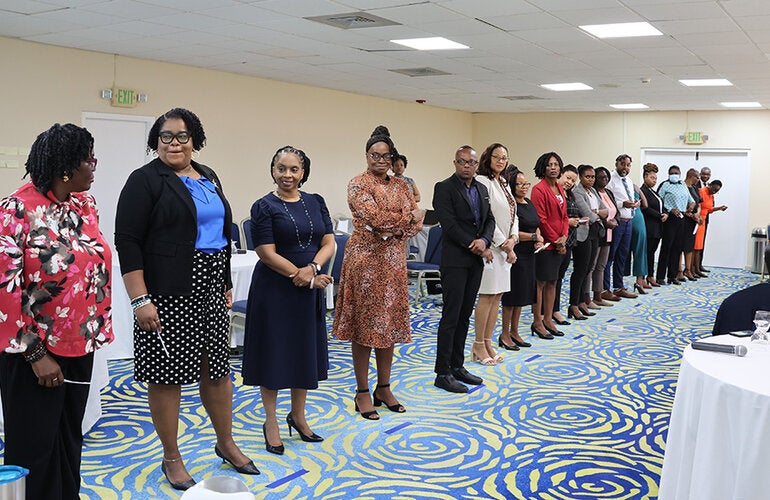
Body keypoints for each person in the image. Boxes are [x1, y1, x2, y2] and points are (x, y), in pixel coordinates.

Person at [114, 108, 257, 491]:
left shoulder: (208, 176)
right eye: (165, 136)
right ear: (155, 141)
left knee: (217, 369)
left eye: (182, 136)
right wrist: (139, 299)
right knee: (167, 375)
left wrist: (224, 280)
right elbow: (127, 241)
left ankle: (225, 442)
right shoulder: (144, 181)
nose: (174, 143)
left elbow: (220, 235)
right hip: (166, 291)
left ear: (195, 139)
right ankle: (171, 457)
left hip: (210, 286)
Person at [0, 124, 113, 500]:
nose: (94, 167)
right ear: (65, 166)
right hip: (34, 353)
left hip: (81, 342)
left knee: (68, 437)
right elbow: (5, 290)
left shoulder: (84, 204)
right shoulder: (16, 209)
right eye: (88, 159)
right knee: (35, 445)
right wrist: (34, 353)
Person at [241, 146, 334, 455]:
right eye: (282, 168)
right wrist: (300, 274)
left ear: (303, 172)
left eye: (294, 169)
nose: (288, 175)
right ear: (273, 170)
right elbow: (265, 252)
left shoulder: (316, 202)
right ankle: (271, 422)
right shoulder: (264, 206)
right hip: (274, 289)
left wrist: (313, 270)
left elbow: (328, 241)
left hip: (308, 286)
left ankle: (298, 415)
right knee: (274, 354)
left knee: (303, 352)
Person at [332, 126, 424, 417]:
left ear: (392, 157)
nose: (380, 160)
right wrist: (404, 218)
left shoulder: (401, 185)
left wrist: (399, 222)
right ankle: (362, 391)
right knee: (365, 327)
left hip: (394, 264)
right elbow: (375, 219)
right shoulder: (358, 184)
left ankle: (383, 387)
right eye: (375, 154)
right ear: (367, 155)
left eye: (386, 155)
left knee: (390, 327)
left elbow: (416, 224)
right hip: (366, 264)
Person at [432, 145, 495, 393]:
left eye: (470, 162)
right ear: (455, 163)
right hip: (456, 260)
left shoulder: (481, 188)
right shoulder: (444, 187)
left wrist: (486, 241)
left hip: (474, 262)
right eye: (461, 162)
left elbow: (489, 219)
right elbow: (448, 224)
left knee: (465, 315)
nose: (466, 166)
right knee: (451, 316)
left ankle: (457, 366)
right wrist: (476, 245)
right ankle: (442, 372)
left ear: (477, 165)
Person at [472, 143, 518, 364]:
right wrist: (504, 243)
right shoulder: (482, 181)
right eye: (497, 157)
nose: (501, 161)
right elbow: (486, 215)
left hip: (505, 249)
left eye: (504, 157)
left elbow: (513, 213)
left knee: (498, 296)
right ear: (487, 158)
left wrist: (514, 238)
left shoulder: (504, 182)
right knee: (487, 295)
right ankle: (478, 345)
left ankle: (488, 342)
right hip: (492, 248)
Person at [500, 168, 542, 350]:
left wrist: (538, 239)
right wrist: (533, 237)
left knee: (523, 296)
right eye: (520, 184)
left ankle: (515, 332)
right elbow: (512, 231)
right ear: (511, 185)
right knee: (512, 297)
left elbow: (536, 225)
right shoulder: (511, 205)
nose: (524, 187)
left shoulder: (529, 202)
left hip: (530, 255)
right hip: (515, 254)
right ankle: (504, 334)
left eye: (526, 184)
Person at [530, 152, 569, 339]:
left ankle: (548, 319)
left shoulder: (560, 188)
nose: (553, 168)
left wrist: (564, 237)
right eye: (549, 165)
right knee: (540, 283)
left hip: (559, 243)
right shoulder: (539, 189)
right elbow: (541, 220)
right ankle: (537, 321)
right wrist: (555, 240)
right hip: (545, 244)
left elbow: (564, 216)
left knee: (553, 282)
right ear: (542, 167)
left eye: (556, 164)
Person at [572, 164, 606, 316]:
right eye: (588, 176)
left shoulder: (592, 191)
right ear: (580, 177)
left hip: (594, 233)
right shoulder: (576, 192)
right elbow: (588, 215)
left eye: (593, 177)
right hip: (583, 233)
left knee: (588, 269)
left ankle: (582, 302)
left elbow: (606, 210)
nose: (591, 180)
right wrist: (597, 214)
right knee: (580, 270)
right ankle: (575, 303)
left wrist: (596, 212)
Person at [604, 154, 639, 299]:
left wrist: (635, 204)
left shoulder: (629, 180)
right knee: (610, 256)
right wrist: (621, 204)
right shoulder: (610, 179)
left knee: (622, 256)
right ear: (616, 163)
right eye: (623, 164)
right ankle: (605, 289)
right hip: (616, 222)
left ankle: (618, 286)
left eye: (628, 165)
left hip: (628, 221)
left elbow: (629, 199)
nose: (625, 168)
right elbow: (605, 200)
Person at [554, 164, 585, 321]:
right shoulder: (555, 194)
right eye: (567, 178)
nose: (569, 182)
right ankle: (552, 311)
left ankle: (555, 309)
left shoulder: (570, 195)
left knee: (560, 277)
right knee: (553, 279)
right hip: (557, 241)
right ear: (560, 175)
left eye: (573, 180)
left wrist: (576, 221)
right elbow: (555, 217)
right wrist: (569, 221)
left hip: (570, 241)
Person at [656, 165, 695, 286]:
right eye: (671, 173)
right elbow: (659, 200)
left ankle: (672, 276)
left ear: (680, 174)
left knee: (677, 248)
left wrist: (692, 205)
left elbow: (691, 199)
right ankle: (660, 276)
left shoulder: (683, 185)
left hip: (682, 218)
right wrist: (669, 209)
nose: (674, 175)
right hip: (670, 218)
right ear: (668, 174)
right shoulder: (665, 185)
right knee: (667, 247)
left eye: (676, 173)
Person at [593, 167, 620, 305]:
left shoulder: (608, 192)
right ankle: (592, 296)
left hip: (611, 233)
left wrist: (616, 221)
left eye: (606, 177)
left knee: (602, 265)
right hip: (599, 232)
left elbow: (615, 210)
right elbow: (596, 212)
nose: (604, 180)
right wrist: (606, 223)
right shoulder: (593, 193)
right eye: (601, 177)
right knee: (593, 266)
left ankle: (600, 295)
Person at [640, 163, 667, 287]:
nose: (654, 180)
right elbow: (645, 208)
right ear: (645, 177)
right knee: (647, 253)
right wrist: (659, 215)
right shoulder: (643, 191)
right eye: (652, 178)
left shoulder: (653, 191)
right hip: (649, 226)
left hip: (657, 227)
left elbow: (661, 205)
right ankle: (644, 277)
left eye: (656, 178)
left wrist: (665, 213)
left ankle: (651, 276)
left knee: (652, 252)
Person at [694, 179, 726, 276]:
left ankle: (696, 268)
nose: (714, 192)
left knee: (699, 246)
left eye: (717, 191)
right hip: (697, 220)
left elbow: (709, 210)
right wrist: (697, 217)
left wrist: (719, 208)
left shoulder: (711, 196)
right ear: (710, 185)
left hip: (703, 222)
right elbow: (697, 206)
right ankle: (692, 269)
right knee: (695, 247)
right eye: (714, 189)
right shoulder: (701, 191)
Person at [626, 183, 650, 294]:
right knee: (640, 250)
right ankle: (639, 281)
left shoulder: (616, 186)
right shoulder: (633, 185)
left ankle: (620, 284)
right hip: (638, 217)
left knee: (623, 250)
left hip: (626, 217)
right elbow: (645, 204)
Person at [681, 169, 703, 281]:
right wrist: (692, 215)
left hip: (693, 221)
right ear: (691, 176)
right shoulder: (682, 187)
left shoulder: (694, 188)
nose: (698, 179)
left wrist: (698, 215)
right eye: (697, 177)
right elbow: (681, 205)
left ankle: (688, 269)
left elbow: (698, 203)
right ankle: (679, 270)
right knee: (681, 246)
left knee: (690, 246)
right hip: (684, 219)